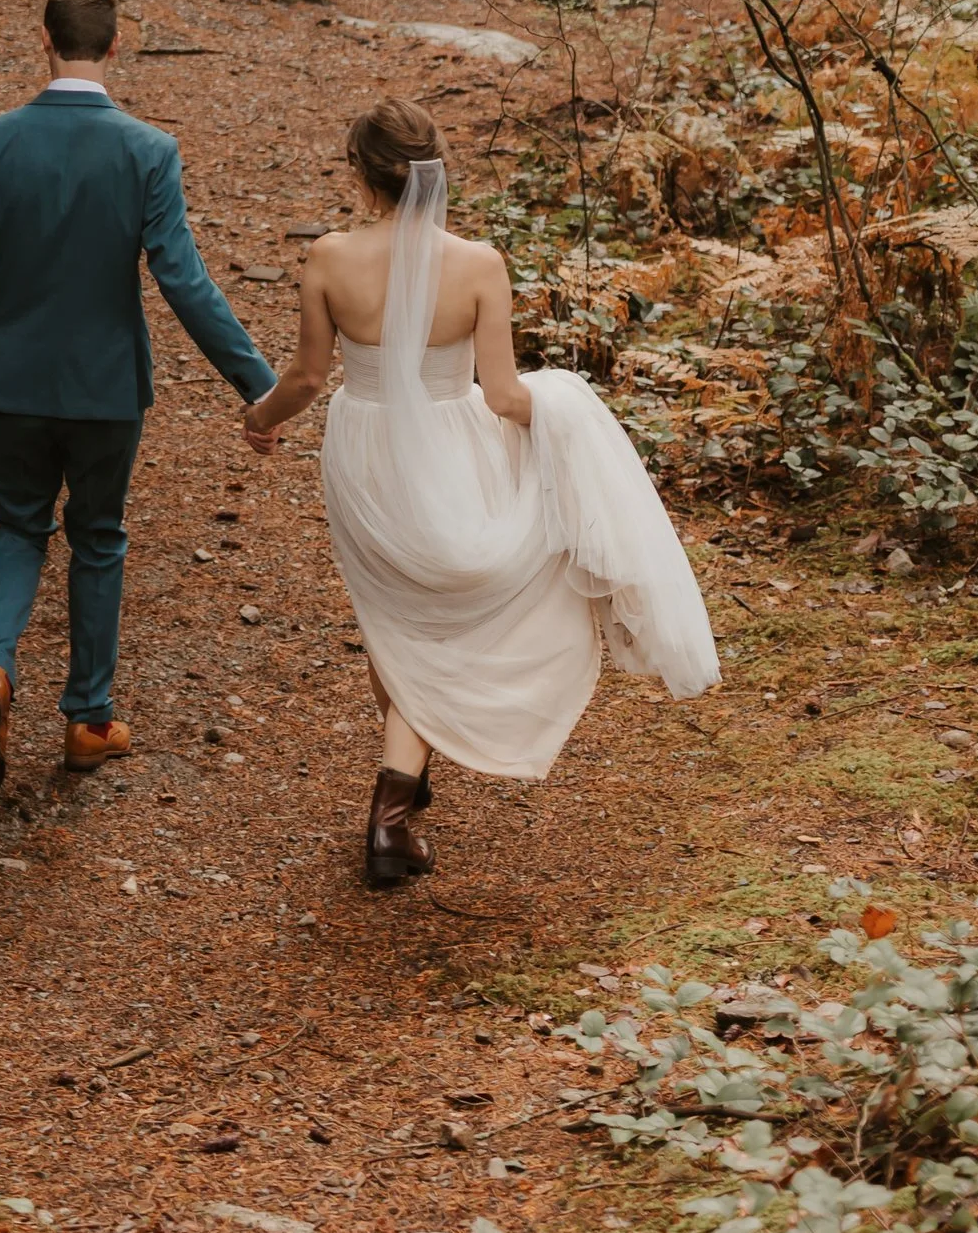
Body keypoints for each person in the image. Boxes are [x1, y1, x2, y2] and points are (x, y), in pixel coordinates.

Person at [240, 96, 719, 886]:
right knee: (427, 619)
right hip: (454, 443)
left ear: (365, 175)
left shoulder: (328, 257)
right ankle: (395, 806)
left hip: (364, 454)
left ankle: (400, 789)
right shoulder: (480, 264)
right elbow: (502, 396)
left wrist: (261, 420)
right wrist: (575, 412)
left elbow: (307, 378)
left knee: (392, 615)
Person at [0, 0, 277, 791]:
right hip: (106, 391)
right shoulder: (149, 151)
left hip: (11, 383)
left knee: (18, 528)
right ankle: (87, 721)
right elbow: (184, 282)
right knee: (97, 538)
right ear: (114, 45)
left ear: (44, 40)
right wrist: (257, 384)